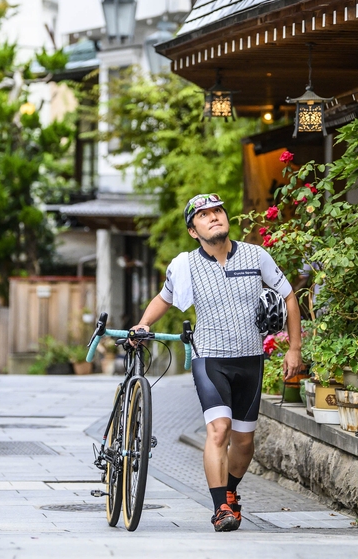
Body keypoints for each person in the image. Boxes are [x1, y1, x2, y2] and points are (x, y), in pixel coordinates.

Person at [130, 193, 303, 532]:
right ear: (193, 230)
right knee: (219, 430)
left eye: (218, 211)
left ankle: (231, 493)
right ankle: (220, 507)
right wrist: (143, 323)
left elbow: (289, 295)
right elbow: (164, 299)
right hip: (209, 358)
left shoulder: (257, 255)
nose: (213, 217)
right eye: (204, 215)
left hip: (251, 359)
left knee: (244, 442)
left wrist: (294, 348)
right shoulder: (184, 265)